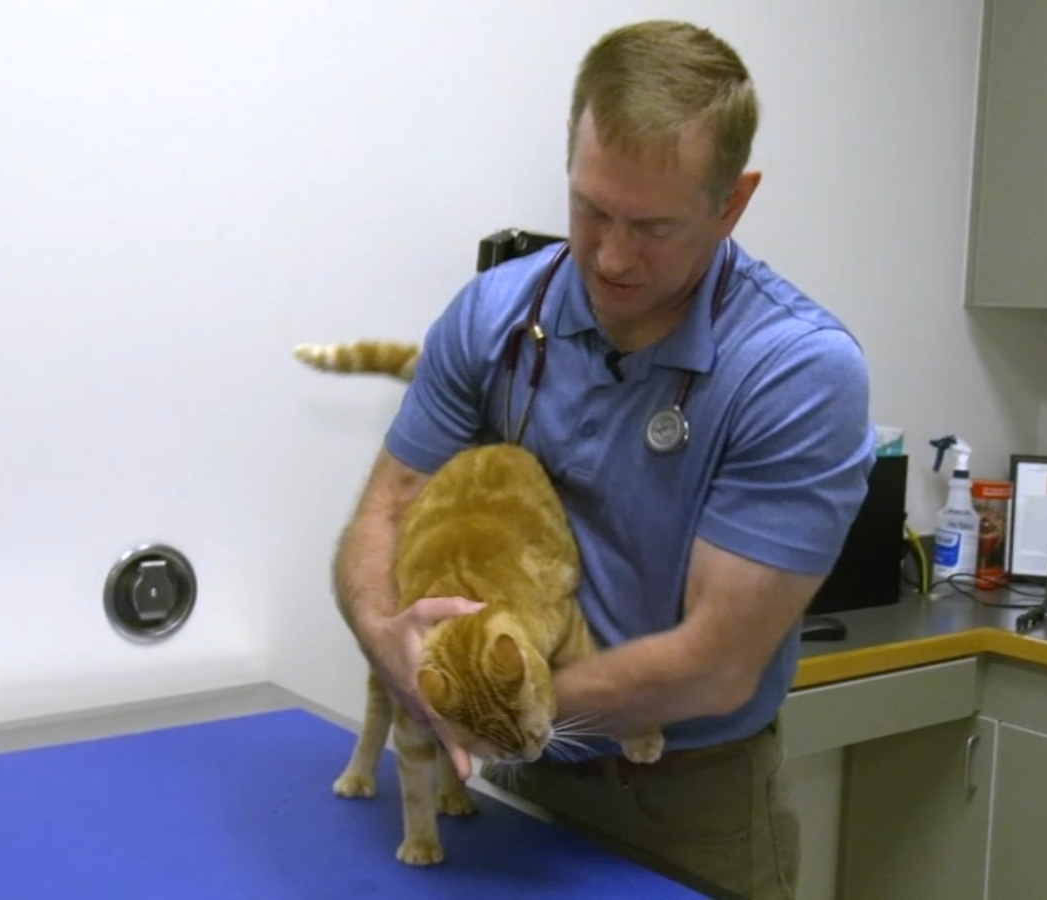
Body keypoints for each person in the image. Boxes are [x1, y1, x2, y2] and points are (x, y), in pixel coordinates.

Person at [331, 19, 874, 900]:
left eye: (655, 226)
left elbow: (713, 661)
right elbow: (384, 511)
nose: (612, 257)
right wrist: (398, 650)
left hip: (684, 800)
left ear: (733, 202)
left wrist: (497, 707)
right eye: (591, 210)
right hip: (509, 781)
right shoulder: (495, 313)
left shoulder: (796, 372)